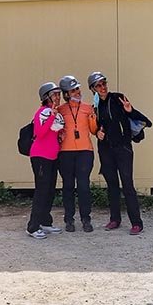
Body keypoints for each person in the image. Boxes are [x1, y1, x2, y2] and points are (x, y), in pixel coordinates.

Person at [88, 72, 150, 235]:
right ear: (93, 89)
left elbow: (135, 117)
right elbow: (94, 126)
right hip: (106, 149)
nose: (103, 87)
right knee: (112, 185)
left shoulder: (118, 98)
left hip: (123, 148)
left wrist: (130, 111)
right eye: (99, 85)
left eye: (104, 83)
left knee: (128, 185)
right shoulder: (94, 107)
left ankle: (137, 222)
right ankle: (115, 219)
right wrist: (97, 134)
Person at [58, 75, 98, 232]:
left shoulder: (88, 108)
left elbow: (94, 131)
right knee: (68, 186)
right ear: (66, 93)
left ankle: (86, 219)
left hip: (84, 152)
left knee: (83, 186)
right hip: (65, 153)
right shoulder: (60, 110)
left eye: (78, 89)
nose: (77, 92)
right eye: (73, 90)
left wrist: (94, 118)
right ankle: (69, 219)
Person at [26, 82, 65, 239]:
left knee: (49, 190)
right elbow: (40, 132)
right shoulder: (43, 112)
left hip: (52, 157)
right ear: (46, 97)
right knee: (41, 191)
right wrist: (53, 116)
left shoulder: (53, 112)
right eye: (54, 94)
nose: (58, 97)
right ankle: (32, 226)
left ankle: (45, 221)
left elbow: (54, 132)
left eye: (58, 94)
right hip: (40, 157)